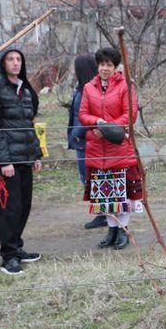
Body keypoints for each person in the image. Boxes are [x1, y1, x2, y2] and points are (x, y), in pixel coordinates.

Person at [78, 47, 140, 250]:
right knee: (106, 194)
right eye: (102, 64)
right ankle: (111, 230)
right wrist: (96, 121)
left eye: (109, 64)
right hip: (97, 150)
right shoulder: (89, 87)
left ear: (115, 67)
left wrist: (104, 129)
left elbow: (129, 115)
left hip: (119, 148)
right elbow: (83, 114)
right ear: (98, 65)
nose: (105, 68)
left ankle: (123, 230)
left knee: (122, 194)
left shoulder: (126, 86)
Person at [0, 45, 43, 275]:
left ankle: (17, 247)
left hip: (25, 158)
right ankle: (8, 257)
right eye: (10, 59)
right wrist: (4, 161)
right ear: (3, 63)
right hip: (6, 163)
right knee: (8, 209)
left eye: (18, 59)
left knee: (24, 206)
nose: (15, 63)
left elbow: (29, 125)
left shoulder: (24, 90)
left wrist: (35, 155)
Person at [66, 53, 106, 230]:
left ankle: (102, 214)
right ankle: (103, 213)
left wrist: (75, 134)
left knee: (90, 178)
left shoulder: (85, 92)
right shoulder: (87, 89)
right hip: (83, 140)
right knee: (92, 178)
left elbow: (82, 117)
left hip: (84, 141)